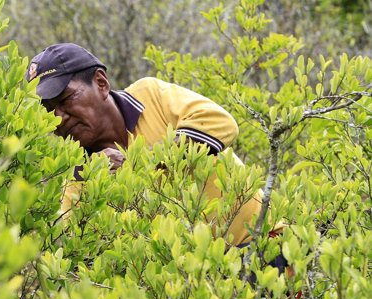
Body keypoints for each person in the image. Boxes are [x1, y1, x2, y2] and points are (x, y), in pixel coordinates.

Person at [25, 43, 286, 248]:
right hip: (210, 289)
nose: (57, 117)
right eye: (47, 110)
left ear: (101, 83)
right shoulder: (80, 175)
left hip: (268, 244)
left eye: (66, 99)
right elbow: (73, 250)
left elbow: (220, 123)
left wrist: (138, 166)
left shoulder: (150, 96)